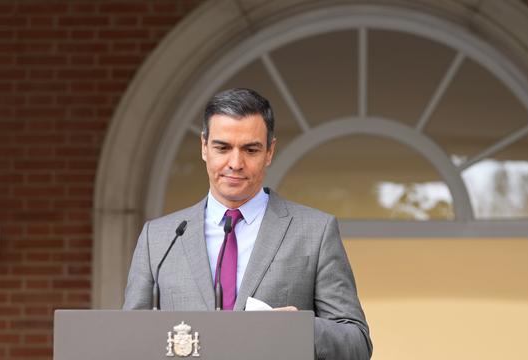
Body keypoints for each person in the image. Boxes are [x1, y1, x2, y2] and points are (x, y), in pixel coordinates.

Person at [123, 88, 372, 359]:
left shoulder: (315, 232)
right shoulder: (158, 239)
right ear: (204, 147)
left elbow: (357, 342)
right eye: (222, 147)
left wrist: (301, 329)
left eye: (250, 149)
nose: (235, 163)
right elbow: (130, 339)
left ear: (269, 151)